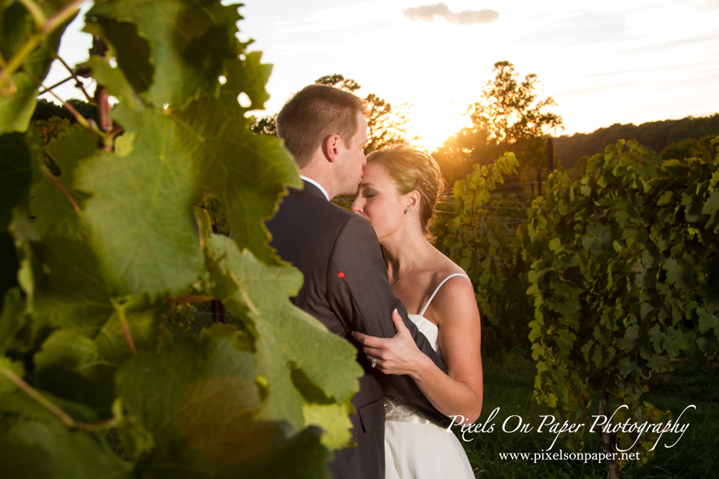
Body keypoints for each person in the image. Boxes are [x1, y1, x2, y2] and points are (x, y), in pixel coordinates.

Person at [265, 84, 451, 479]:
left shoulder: (248, 219)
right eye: (361, 145)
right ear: (334, 146)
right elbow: (386, 333)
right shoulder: (342, 231)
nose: (364, 158)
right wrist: (448, 405)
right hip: (338, 451)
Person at [351, 145, 483, 479]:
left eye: (370, 194)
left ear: (411, 201)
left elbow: (469, 410)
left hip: (419, 459)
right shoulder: (361, 272)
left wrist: (416, 363)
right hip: (359, 452)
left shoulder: (450, 285)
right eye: (356, 193)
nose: (355, 206)